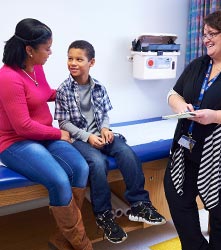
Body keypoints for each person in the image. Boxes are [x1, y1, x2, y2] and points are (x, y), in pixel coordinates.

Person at [54, 39, 166, 244]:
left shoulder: (99, 88)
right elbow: (63, 123)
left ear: (91, 63)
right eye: (70, 58)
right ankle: (104, 215)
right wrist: (87, 136)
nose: (73, 63)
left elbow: (104, 115)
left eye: (79, 59)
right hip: (80, 139)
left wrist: (105, 128)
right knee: (97, 163)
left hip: (101, 133)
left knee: (126, 152)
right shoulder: (63, 90)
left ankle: (139, 204)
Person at [0, 19, 93, 250]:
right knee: (59, 179)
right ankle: (83, 246)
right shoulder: (8, 78)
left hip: (42, 136)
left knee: (80, 168)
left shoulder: (36, 67)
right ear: (29, 50)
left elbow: (43, 93)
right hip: (15, 142)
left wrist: (76, 92)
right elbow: (22, 126)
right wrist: (57, 133)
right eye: (47, 48)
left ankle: (61, 240)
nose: (51, 52)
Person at [164, 10, 221, 250]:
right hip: (187, 150)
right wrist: (181, 106)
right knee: (177, 196)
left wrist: (214, 116)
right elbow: (173, 94)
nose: (206, 39)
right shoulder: (199, 64)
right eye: (204, 34)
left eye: (212, 34)